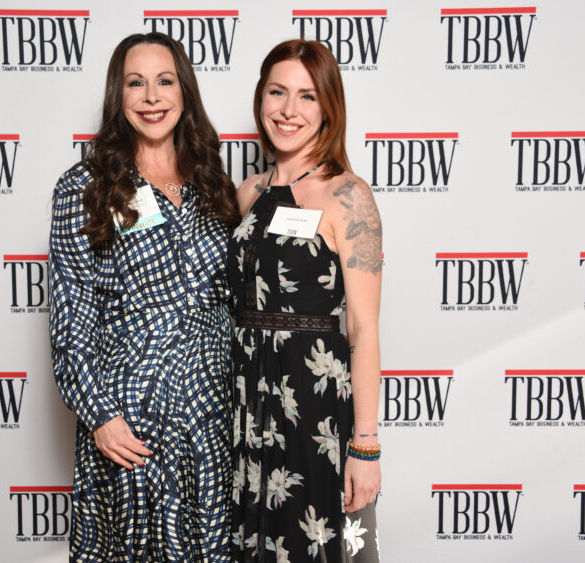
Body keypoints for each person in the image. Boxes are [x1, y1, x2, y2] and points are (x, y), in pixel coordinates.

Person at [49, 32, 240, 562]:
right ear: (119, 94)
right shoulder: (86, 186)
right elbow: (71, 314)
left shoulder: (212, 183)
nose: (152, 97)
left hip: (211, 419)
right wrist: (100, 416)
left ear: (184, 92)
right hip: (131, 424)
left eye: (165, 81)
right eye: (136, 83)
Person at [228, 39, 382, 562]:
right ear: (260, 99)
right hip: (247, 407)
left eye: (307, 96)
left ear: (328, 107)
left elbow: (363, 328)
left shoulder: (348, 195)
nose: (288, 110)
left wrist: (365, 446)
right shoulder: (248, 193)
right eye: (277, 92)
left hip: (314, 412)